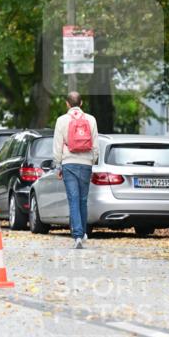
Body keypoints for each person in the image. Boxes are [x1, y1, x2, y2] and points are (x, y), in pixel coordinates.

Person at [53, 91, 98, 249]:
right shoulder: (91, 119)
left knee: (73, 199)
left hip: (69, 163)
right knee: (83, 200)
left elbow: (57, 145)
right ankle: (83, 233)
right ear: (81, 103)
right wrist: (92, 161)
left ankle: (77, 236)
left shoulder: (61, 120)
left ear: (67, 104)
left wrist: (58, 164)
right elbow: (95, 144)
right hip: (86, 163)